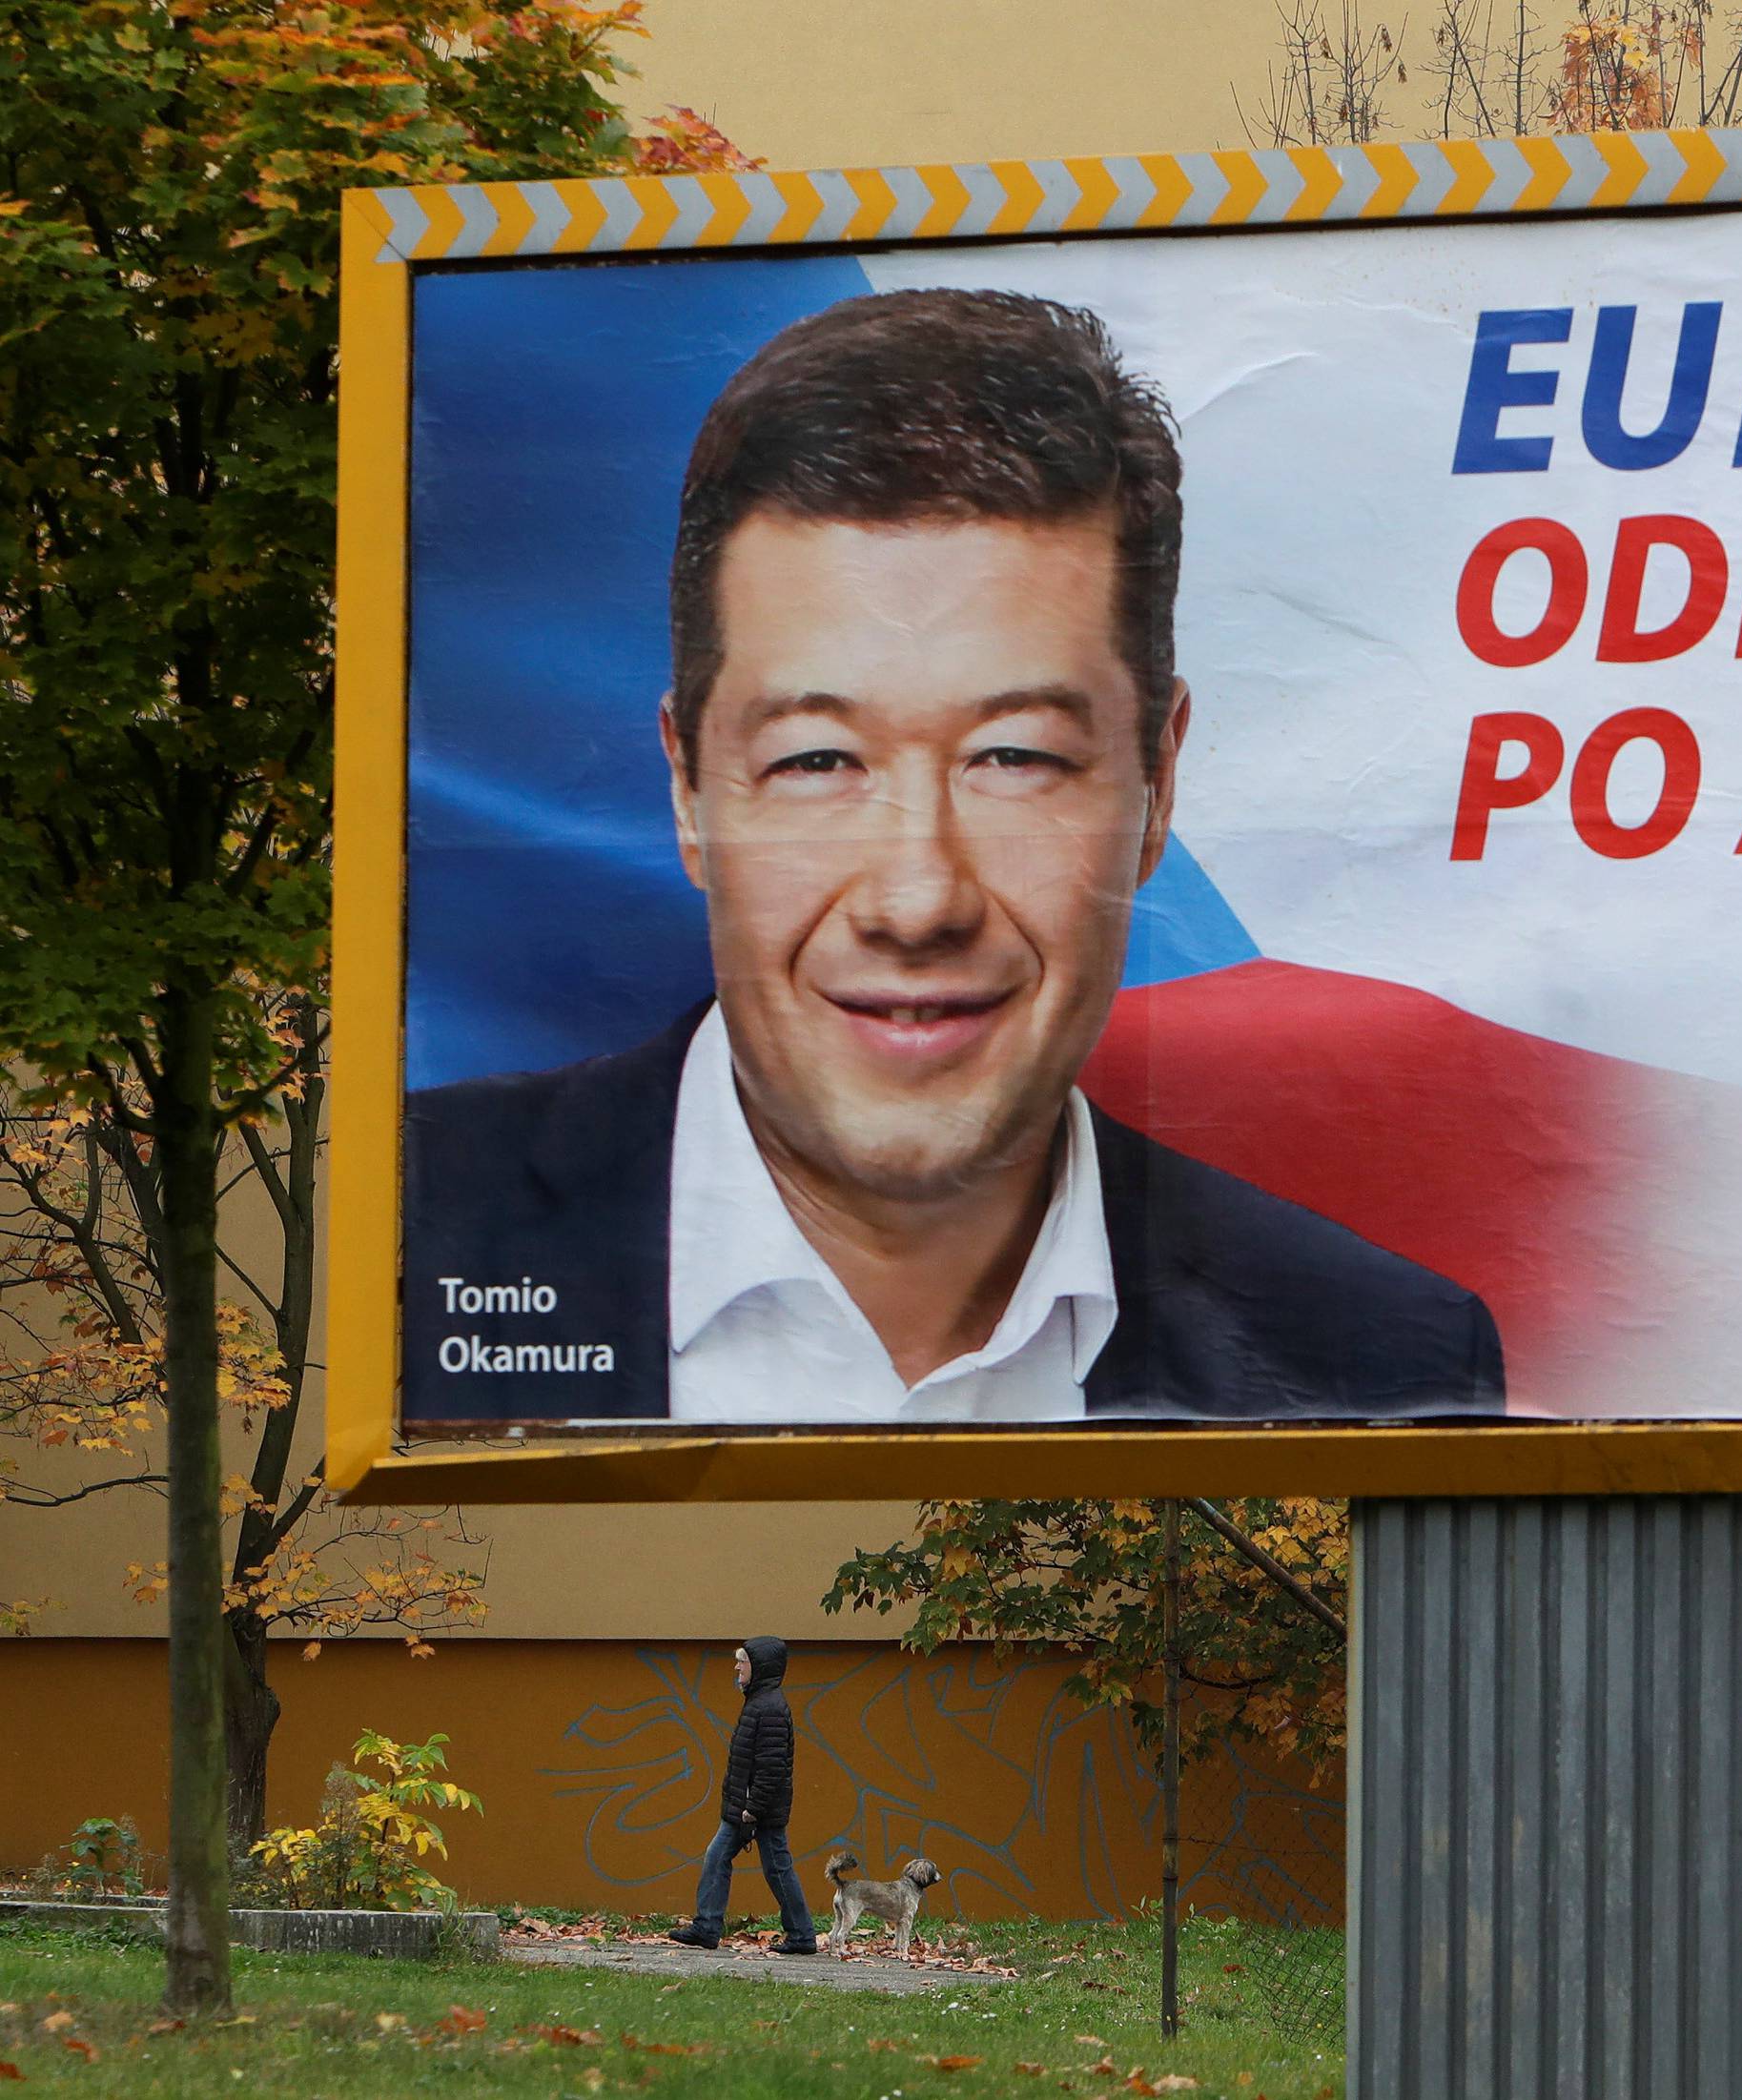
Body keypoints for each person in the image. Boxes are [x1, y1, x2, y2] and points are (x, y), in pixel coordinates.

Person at [402, 287, 1505, 1424]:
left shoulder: (1386, 1359)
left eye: (1014, 756)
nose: (918, 898)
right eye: (819, 761)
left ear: (1157, 783)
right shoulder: (410, 1224)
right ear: (688, 788)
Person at [668, 1636, 816, 1954]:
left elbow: (772, 1767)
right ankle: (708, 1927)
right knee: (721, 1857)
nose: (736, 1666)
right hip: (745, 1806)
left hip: (756, 1809)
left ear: (759, 1667)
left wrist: (753, 1808)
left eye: (742, 1661)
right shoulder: (759, 1703)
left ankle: (802, 1936)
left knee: (774, 1867)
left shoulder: (770, 1707)